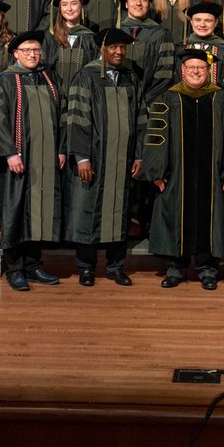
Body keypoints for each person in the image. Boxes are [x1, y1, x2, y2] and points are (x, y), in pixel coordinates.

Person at [138, 50, 224, 290]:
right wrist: (157, 172)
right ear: (182, 71)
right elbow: (157, 138)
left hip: (213, 176)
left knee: (211, 218)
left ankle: (208, 269)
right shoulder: (168, 99)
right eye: (191, 68)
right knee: (175, 216)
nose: (196, 71)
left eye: (201, 68)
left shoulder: (223, 98)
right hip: (177, 175)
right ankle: (175, 269)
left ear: (209, 71)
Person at [0, 30, 65, 292]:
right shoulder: (3, 81)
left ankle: (33, 265)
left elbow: (62, 116)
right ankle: (14, 268)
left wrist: (61, 150)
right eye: (27, 50)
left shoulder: (48, 78)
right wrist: (9, 152)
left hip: (44, 160)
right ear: (15, 54)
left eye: (36, 50)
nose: (32, 55)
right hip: (17, 160)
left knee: (38, 212)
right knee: (15, 213)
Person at [65, 29, 145, 286]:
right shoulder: (85, 77)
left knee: (118, 211)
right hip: (94, 158)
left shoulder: (130, 78)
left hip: (122, 159)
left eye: (122, 47)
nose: (119, 52)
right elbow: (76, 120)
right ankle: (86, 267)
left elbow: (141, 119)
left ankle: (115, 266)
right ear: (102, 48)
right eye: (113, 47)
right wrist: (81, 158)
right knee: (87, 209)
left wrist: (139, 155)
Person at [118, 0, 175, 106]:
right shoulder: (115, 32)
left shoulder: (162, 34)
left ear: (149, 5)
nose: (138, 3)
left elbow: (164, 74)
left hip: (150, 103)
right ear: (126, 4)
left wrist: (146, 101)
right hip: (118, 101)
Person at [41, 0, 99, 97]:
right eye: (64, 4)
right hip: (55, 96)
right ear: (60, 9)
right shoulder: (50, 38)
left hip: (83, 96)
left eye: (74, 3)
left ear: (81, 6)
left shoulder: (91, 38)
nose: (69, 9)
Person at [178, 2, 224, 92]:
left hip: (216, 102)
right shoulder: (179, 48)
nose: (202, 25)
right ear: (191, 21)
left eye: (208, 20)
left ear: (216, 22)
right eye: (197, 20)